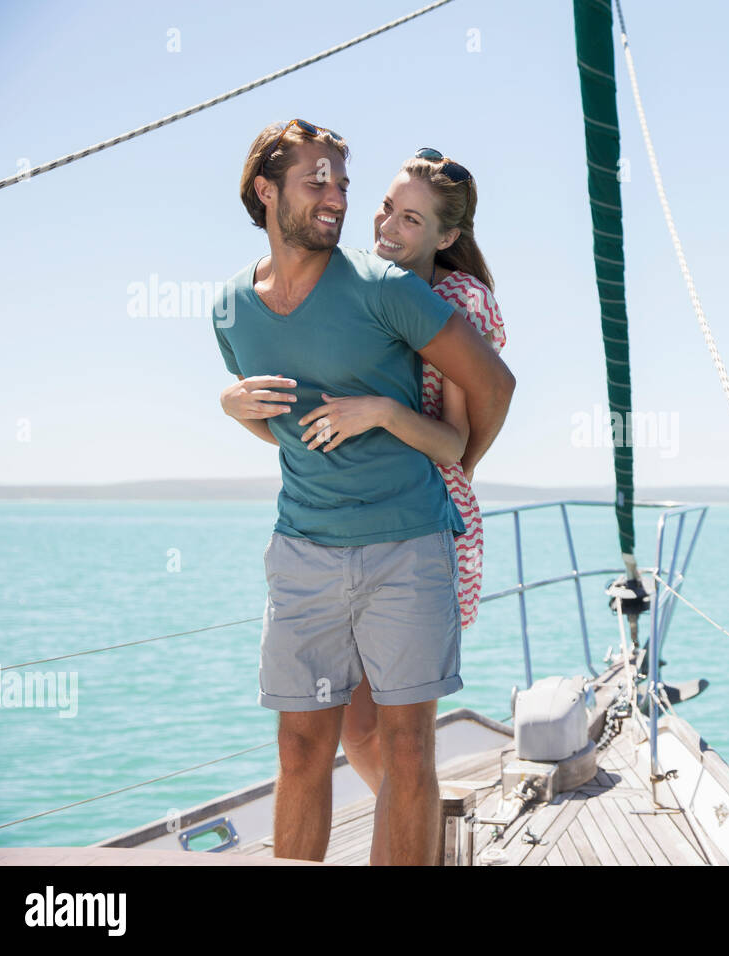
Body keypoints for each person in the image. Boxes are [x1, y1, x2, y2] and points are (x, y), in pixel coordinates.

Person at [212, 119, 515, 866]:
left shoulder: (394, 292)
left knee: (408, 747)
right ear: (265, 190)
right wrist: (230, 407)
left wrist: (454, 465)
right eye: (320, 180)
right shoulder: (230, 310)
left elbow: (494, 386)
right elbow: (284, 423)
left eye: (344, 184)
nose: (342, 200)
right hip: (303, 552)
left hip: (411, 543)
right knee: (307, 747)